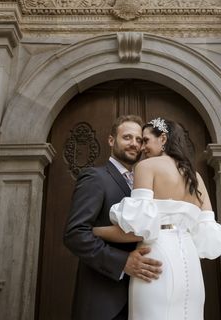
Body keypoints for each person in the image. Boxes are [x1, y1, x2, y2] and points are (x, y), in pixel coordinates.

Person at [93, 117, 221, 319]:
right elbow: (207, 229)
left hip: (156, 259)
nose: (142, 148)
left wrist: (95, 231)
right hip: (190, 265)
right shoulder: (195, 176)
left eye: (146, 140)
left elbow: (136, 230)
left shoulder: (147, 167)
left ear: (163, 138)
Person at [64, 115, 163, 320]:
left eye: (139, 139)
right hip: (104, 301)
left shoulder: (144, 183)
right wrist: (122, 262)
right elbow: (75, 234)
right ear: (111, 140)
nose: (134, 144)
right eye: (127, 137)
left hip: (144, 297)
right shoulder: (95, 177)